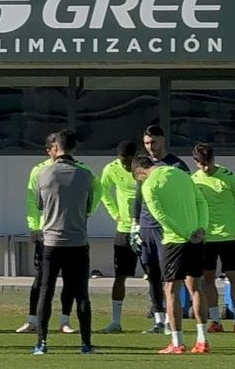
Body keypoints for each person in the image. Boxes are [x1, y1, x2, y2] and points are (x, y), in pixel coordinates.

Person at [133, 153, 207, 355]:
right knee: (196, 287)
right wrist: (201, 227)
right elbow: (201, 201)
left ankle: (177, 341)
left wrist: (184, 233)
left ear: (140, 172)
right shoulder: (181, 174)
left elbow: (160, 216)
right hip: (196, 238)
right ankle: (202, 339)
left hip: (175, 240)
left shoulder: (149, 185)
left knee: (171, 289)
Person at [32, 130, 98, 356]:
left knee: (46, 292)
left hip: (51, 241)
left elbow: (40, 204)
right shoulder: (86, 175)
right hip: (78, 242)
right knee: (81, 293)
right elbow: (89, 206)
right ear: (73, 148)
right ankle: (86, 343)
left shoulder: (44, 173)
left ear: (55, 148)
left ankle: (41, 342)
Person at [136, 124, 190, 335]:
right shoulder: (144, 165)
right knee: (151, 273)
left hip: (166, 227)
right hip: (146, 225)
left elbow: (185, 194)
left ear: (163, 140)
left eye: (154, 142)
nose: (151, 147)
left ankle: (171, 319)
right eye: (147, 143)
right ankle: (158, 319)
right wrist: (135, 224)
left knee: (170, 275)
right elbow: (138, 197)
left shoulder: (176, 165)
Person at [191, 142, 235, 335]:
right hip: (207, 239)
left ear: (213, 159)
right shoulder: (194, 180)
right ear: (196, 163)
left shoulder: (229, 177)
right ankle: (215, 321)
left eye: (208, 163)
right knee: (208, 279)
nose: (206, 168)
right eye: (202, 164)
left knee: (234, 277)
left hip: (229, 236)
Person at [15, 150, 69, 335]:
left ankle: (65, 320)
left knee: (69, 280)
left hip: (69, 234)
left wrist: (82, 217)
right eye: (55, 148)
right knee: (41, 279)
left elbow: (93, 193)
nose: (59, 151)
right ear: (49, 150)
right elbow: (32, 200)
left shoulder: (76, 169)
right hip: (45, 235)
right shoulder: (39, 170)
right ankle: (33, 320)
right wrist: (34, 226)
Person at [95, 140, 139, 333]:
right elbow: (102, 191)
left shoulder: (145, 167)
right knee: (120, 276)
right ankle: (115, 321)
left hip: (146, 228)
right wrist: (115, 213)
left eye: (128, 162)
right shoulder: (111, 169)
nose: (126, 166)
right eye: (123, 162)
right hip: (124, 228)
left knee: (156, 276)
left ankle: (160, 321)